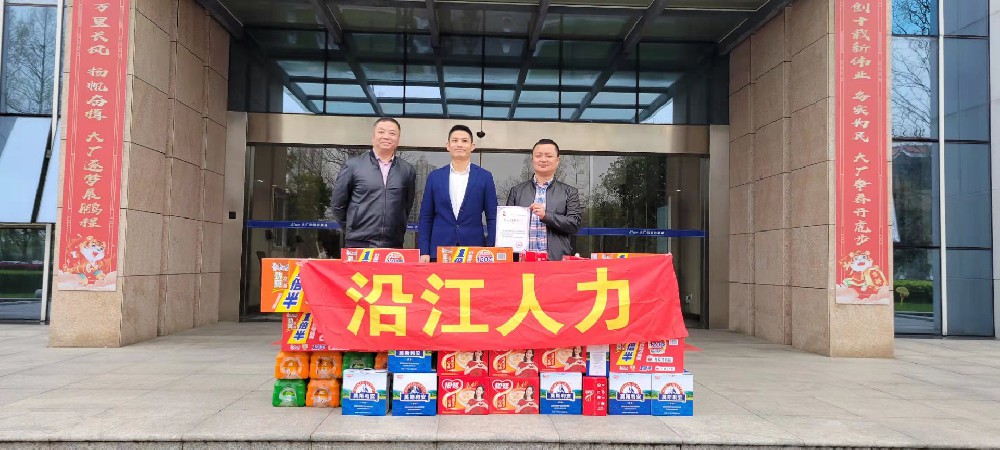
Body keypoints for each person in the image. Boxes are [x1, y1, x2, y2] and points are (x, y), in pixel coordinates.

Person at [330, 118, 417, 249]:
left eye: (392, 133)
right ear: (373, 137)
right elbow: (338, 205)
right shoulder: (353, 165)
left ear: (398, 139)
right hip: (358, 243)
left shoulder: (407, 170)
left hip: (393, 244)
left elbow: (406, 206)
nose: (386, 136)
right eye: (381, 132)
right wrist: (352, 228)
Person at [418, 125, 498, 262]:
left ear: (472, 146)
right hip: (439, 251)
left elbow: (492, 217)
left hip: (474, 251)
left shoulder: (485, 177)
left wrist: (490, 249)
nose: (459, 144)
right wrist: (424, 251)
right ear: (448, 146)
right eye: (455, 141)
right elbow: (426, 216)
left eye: (464, 141)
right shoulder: (435, 177)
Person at [506, 139, 582, 261]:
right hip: (522, 261)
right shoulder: (517, 191)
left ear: (557, 160)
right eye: (538, 156)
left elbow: (574, 224)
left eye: (549, 156)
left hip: (555, 261)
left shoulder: (569, 192)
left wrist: (546, 215)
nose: (543, 159)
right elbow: (508, 226)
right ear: (532, 160)